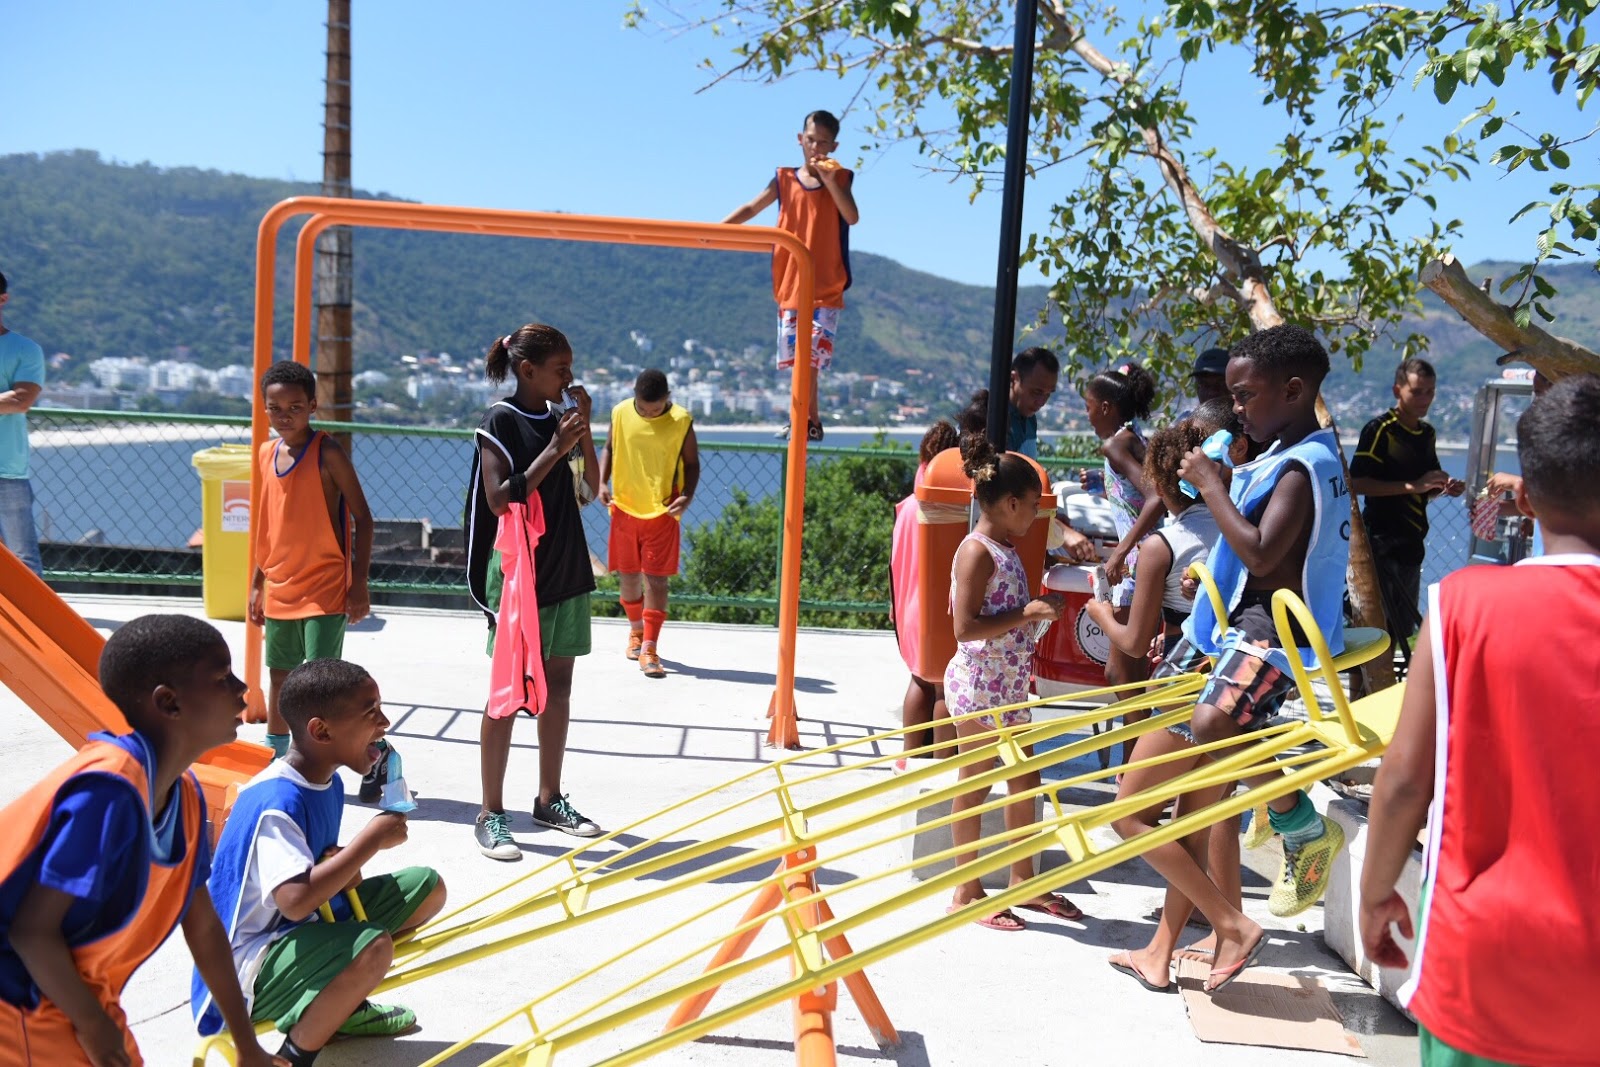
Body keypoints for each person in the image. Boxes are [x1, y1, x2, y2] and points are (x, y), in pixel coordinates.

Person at [1360, 374, 1600, 1067]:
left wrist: (1378, 892)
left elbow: (1406, 779)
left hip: (1481, 958)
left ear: (1523, 497)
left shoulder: (1463, 605)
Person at [1106, 325, 1350, 995]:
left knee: (1137, 811)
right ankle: (1165, 948)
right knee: (1197, 809)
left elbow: (1266, 555)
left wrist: (1213, 484)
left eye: (1244, 395)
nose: (1235, 406)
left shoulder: (1302, 466)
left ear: (1294, 390)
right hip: (1227, 636)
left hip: (1257, 642)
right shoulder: (1298, 454)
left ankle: (1278, 844)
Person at [0, 614, 282, 1067]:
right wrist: (94, 1028)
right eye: (220, 677)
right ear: (169, 703)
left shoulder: (186, 796)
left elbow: (205, 928)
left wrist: (247, 1047)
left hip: (77, 995)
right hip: (21, 1002)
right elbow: (31, 931)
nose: (242, 688)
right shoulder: (108, 790)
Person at [193, 659, 446, 1066]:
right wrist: (369, 841)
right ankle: (296, 1053)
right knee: (374, 948)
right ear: (321, 730)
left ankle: (335, 1006)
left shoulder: (329, 780)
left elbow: (315, 871)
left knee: (427, 887)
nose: (384, 722)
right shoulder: (277, 801)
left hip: (301, 928)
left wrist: (346, 862)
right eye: (370, 713)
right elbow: (293, 898)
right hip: (248, 968)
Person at [465, 324, 603, 860]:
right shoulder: (500, 420)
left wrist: (582, 433)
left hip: (566, 568)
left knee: (560, 688)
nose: (569, 378)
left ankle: (549, 798)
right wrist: (556, 446)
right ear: (528, 370)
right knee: (505, 695)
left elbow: (590, 489)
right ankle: (490, 812)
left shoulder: (558, 419)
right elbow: (500, 499)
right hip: (521, 576)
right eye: (560, 369)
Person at [943, 434, 1083, 930]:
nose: (1036, 523)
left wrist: (1034, 610)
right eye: (1033, 511)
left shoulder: (1002, 546)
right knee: (977, 782)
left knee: (1024, 779)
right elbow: (963, 628)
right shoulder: (976, 552)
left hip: (1004, 685)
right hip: (981, 684)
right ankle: (966, 889)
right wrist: (1027, 613)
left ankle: (1025, 881)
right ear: (1010, 503)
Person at [249, 361, 374, 761]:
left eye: (295, 407)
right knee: (280, 676)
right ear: (264, 407)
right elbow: (266, 525)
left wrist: (358, 585)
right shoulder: (266, 453)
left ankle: (358, 752)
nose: (285, 416)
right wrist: (257, 582)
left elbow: (364, 519)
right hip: (281, 584)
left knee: (323, 681)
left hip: (325, 584)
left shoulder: (327, 453)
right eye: (276, 407)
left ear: (313, 406)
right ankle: (276, 754)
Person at [721, 109, 860, 442]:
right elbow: (753, 206)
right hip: (791, 281)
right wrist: (718, 229)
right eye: (811, 140)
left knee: (811, 358)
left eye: (823, 143)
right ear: (800, 139)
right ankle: (807, 418)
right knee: (797, 359)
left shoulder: (840, 179)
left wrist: (829, 179)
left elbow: (851, 216)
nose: (815, 148)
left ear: (834, 146)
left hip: (825, 282)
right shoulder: (784, 179)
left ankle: (807, 418)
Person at [1349, 358, 1464, 672]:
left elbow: (1420, 490)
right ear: (1397, 390)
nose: (1424, 399)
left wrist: (1442, 488)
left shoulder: (1426, 433)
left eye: (1430, 392)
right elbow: (1357, 483)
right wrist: (1414, 484)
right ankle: (1363, 697)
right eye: (1417, 391)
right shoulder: (1380, 429)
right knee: (1374, 632)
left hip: (1411, 544)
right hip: (1381, 544)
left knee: (1403, 629)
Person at [598, 368, 699, 680]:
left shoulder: (682, 420)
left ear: (667, 399)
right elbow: (610, 448)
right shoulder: (620, 412)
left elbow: (693, 463)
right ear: (635, 398)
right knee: (628, 578)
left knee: (656, 581)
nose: (649, 413)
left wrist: (688, 496)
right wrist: (602, 482)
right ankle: (636, 632)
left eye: (655, 409)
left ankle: (651, 647)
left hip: (663, 511)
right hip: (625, 508)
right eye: (643, 408)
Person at [1080, 363, 1163, 723]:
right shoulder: (1134, 437)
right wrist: (1103, 483)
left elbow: (1155, 497)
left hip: (1137, 566)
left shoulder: (1115, 444)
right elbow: (1138, 495)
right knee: (1130, 674)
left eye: (1088, 407)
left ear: (1105, 407)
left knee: (1121, 675)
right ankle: (1133, 770)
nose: (1087, 416)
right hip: (1148, 560)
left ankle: (1134, 772)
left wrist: (1121, 552)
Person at [890, 419, 961, 768]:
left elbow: (894, 565)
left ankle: (908, 756)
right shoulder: (946, 509)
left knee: (918, 678)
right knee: (944, 685)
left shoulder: (905, 507)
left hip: (907, 607)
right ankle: (942, 760)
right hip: (937, 605)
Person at [0, 270, 45, 578]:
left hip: (6, 469)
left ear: (3, 299)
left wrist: (10, 400)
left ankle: (37, 624)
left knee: (23, 558)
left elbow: (21, 400)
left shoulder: (25, 349)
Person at [1006, 347, 1060, 459]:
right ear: (1013, 379)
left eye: (1048, 394)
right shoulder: (992, 420)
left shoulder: (1030, 419)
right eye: (1036, 392)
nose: (1042, 402)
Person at [1177, 346, 1230, 420]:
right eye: (1205, 385)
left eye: (1220, 384)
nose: (1212, 392)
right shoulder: (1185, 422)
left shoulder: (1247, 425)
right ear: (1197, 388)